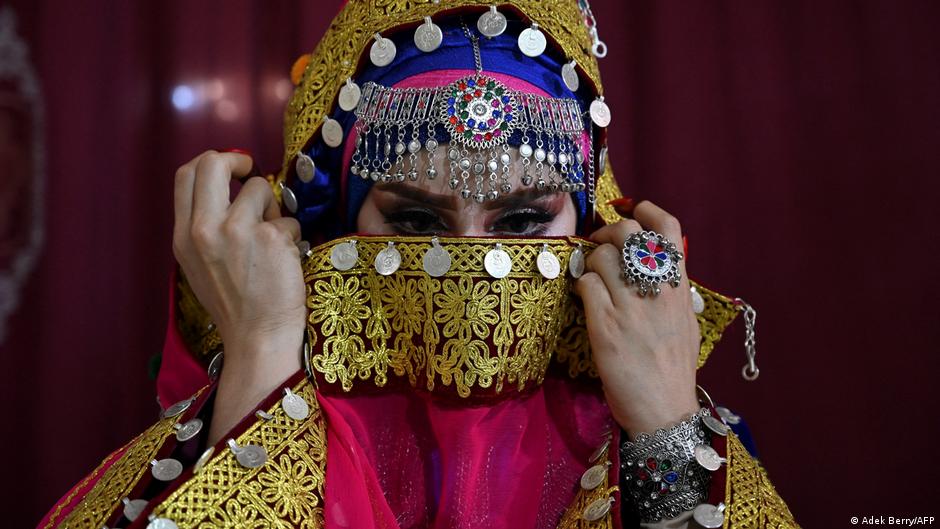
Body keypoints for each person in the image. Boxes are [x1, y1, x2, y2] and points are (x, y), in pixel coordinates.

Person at [39, 1, 797, 528]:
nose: (473, 267)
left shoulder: (639, 419)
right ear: (331, 223)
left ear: (593, 221)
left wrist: (664, 428)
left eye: (525, 220)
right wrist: (262, 363)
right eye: (414, 220)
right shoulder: (249, 393)